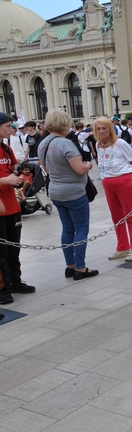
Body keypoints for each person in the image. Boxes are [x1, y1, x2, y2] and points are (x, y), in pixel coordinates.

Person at [38, 110, 99, 280]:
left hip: (55, 191)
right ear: (64, 124)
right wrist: (88, 165)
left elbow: (46, 169)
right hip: (73, 192)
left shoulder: (43, 143)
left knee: (67, 228)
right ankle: (80, 267)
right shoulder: (65, 144)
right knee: (80, 229)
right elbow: (79, 169)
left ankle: (70, 265)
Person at [94, 117, 132, 261]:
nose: (101, 131)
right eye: (98, 128)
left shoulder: (120, 143)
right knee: (116, 216)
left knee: (130, 215)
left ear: (110, 129)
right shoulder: (98, 145)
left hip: (124, 181)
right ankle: (122, 247)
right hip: (108, 183)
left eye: (104, 128)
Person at [0, 112, 35, 304]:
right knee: (1, 250)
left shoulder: (6, 148)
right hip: (0, 208)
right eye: (7, 125)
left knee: (14, 248)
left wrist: (17, 177)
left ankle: (15, 280)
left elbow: (13, 168)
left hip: (12, 206)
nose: (11, 129)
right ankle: (2, 287)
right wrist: (5, 179)